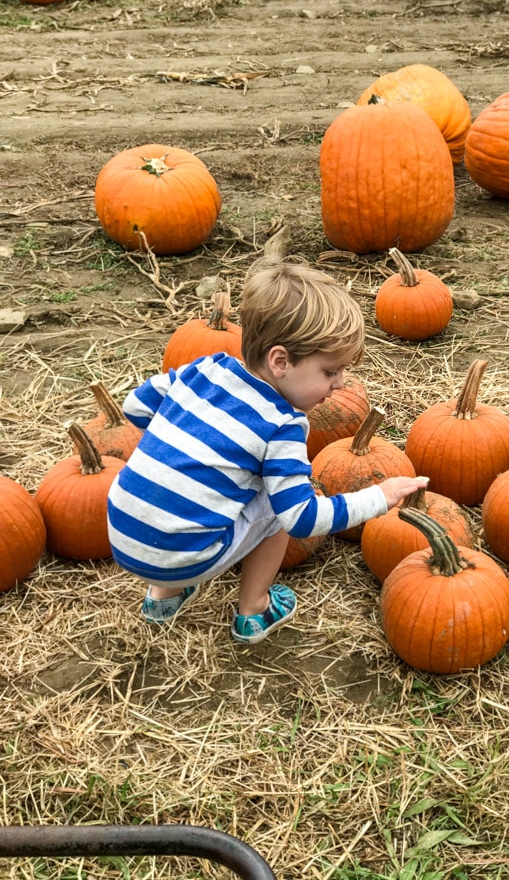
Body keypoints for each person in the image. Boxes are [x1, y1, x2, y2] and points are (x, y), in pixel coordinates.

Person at [107, 263, 428, 644]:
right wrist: (380, 497)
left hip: (122, 538)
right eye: (330, 371)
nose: (340, 384)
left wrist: (182, 445)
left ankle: (162, 598)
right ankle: (254, 610)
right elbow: (302, 520)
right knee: (279, 503)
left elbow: (134, 407)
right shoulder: (281, 425)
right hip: (184, 558)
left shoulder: (206, 367)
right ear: (280, 362)